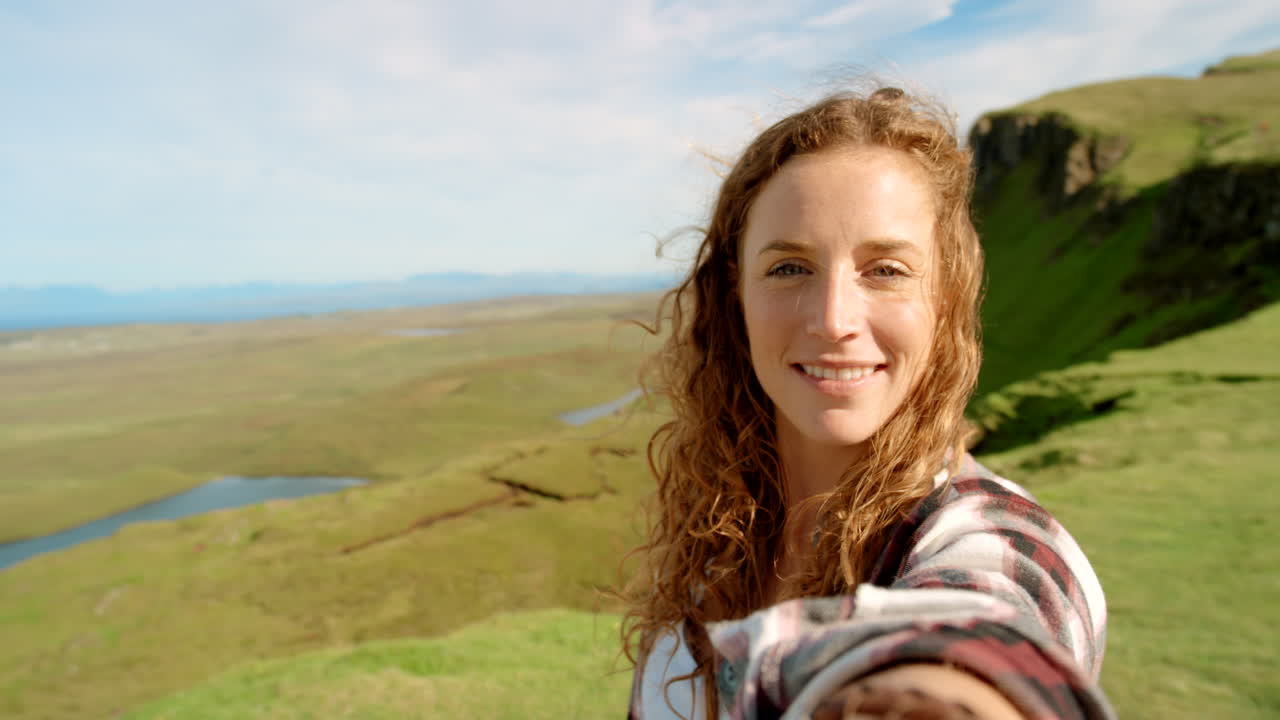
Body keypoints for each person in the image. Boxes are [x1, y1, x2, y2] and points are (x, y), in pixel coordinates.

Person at [622, 87, 1113, 719]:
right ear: (733, 297)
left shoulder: (999, 538)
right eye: (789, 268)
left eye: (885, 270)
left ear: (945, 299)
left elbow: (986, 630)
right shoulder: (718, 544)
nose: (833, 319)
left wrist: (930, 694)